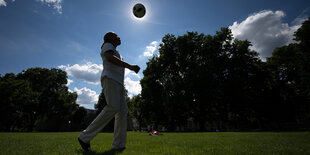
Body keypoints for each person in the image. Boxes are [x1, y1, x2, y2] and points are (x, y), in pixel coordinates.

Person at [78, 32, 140, 151]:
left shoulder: (116, 51)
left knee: (122, 112)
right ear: (109, 38)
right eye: (115, 35)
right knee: (113, 106)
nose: (119, 37)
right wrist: (130, 67)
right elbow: (109, 58)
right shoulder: (107, 45)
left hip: (118, 83)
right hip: (110, 79)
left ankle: (119, 145)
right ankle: (84, 137)